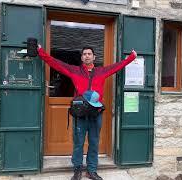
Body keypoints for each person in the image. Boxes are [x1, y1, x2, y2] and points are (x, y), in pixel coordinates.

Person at [37, 45, 137, 180]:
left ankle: (91, 170)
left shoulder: (101, 71)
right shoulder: (74, 70)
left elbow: (117, 66)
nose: (87, 56)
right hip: (80, 113)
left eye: (89, 54)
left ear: (94, 57)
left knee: (94, 142)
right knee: (78, 143)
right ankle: (77, 169)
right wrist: (40, 51)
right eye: (84, 54)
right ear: (82, 57)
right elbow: (54, 62)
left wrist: (131, 57)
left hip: (96, 113)